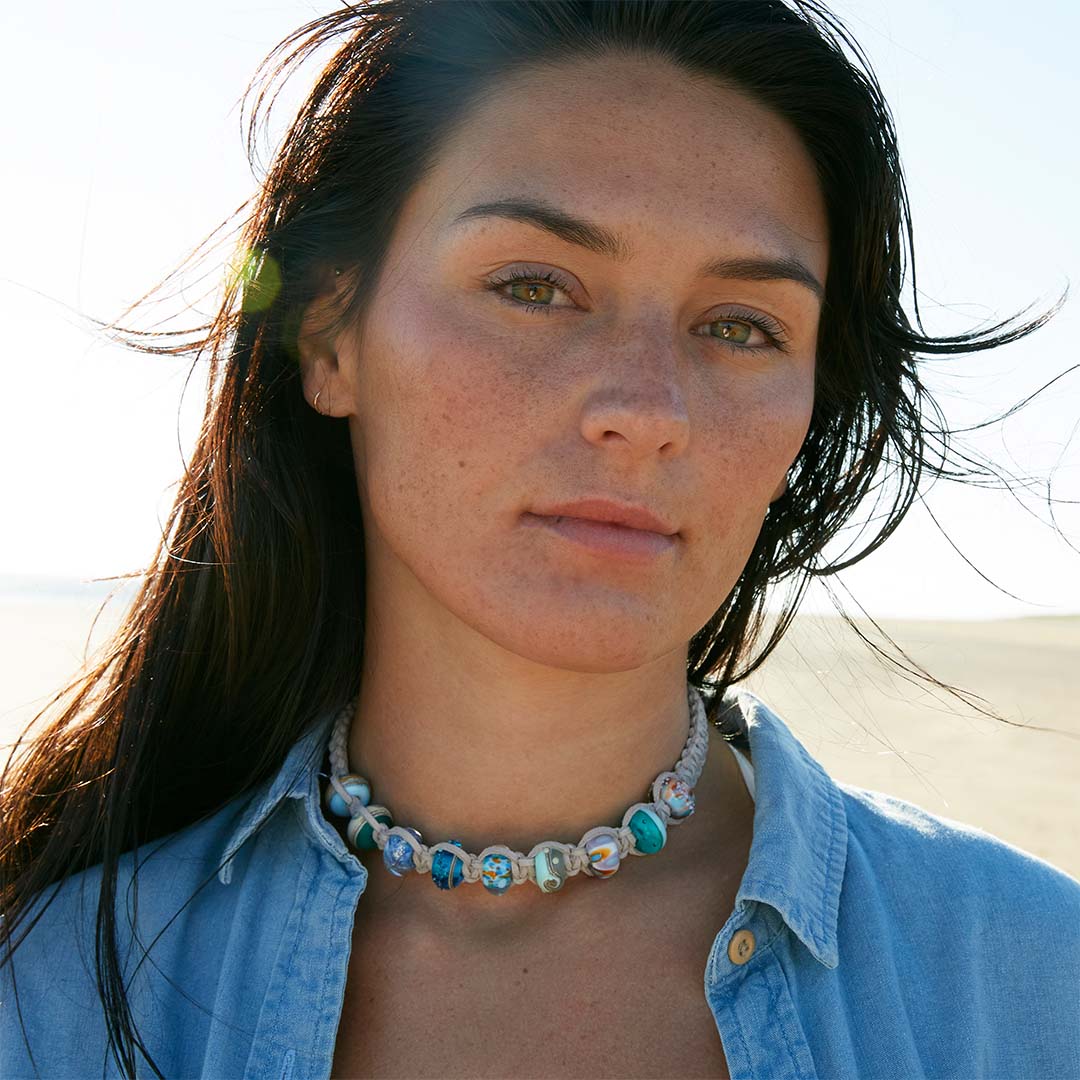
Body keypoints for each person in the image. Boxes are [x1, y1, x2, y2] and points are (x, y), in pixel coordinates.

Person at [2, 1, 1077, 1077]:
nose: (649, 407)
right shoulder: (49, 992)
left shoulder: (1035, 980)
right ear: (330, 337)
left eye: (741, 327)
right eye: (534, 287)